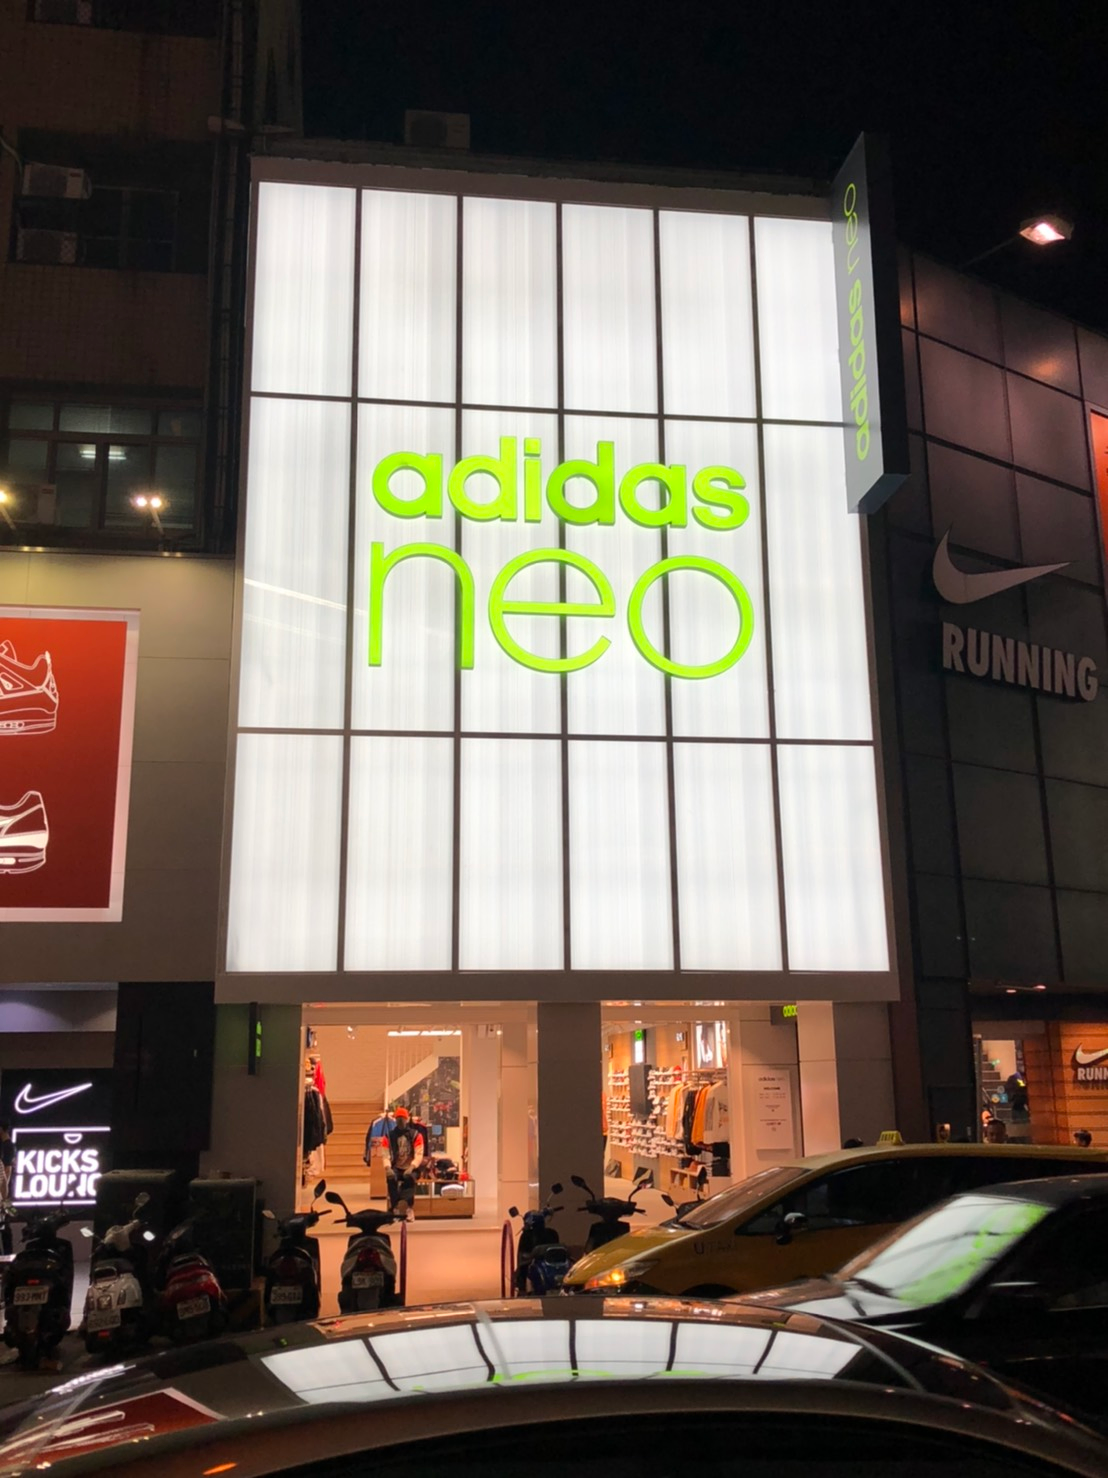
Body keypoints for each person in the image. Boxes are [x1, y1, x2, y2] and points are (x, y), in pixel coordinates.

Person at [384, 1107, 424, 1216]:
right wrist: (387, 1167)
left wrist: (412, 1167)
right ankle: (395, 1206)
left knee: (409, 1178)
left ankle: (408, 1207)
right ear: (395, 1120)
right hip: (396, 1166)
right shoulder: (389, 1136)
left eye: (402, 1119)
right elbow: (385, 1154)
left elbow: (419, 1154)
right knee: (391, 1178)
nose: (400, 1121)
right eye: (398, 1119)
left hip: (411, 1167)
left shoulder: (416, 1135)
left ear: (407, 1119)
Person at [0, 1121, 14, 1256]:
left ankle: (7, 1254)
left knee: (5, 1224)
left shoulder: (7, 1146)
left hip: (5, 1194)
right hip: (4, 1193)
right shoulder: (7, 1146)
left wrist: (4, 1198)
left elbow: (7, 1171)